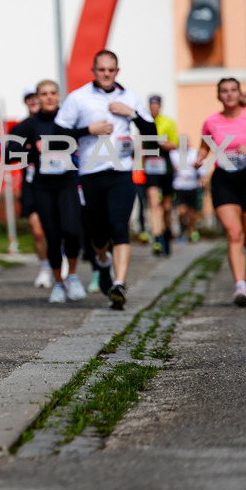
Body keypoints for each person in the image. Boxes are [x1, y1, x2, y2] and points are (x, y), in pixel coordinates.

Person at [54, 50, 156, 310]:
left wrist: (131, 114)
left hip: (121, 172)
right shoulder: (79, 98)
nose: (107, 74)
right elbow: (58, 135)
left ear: (117, 71)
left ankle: (119, 284)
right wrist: (88, 130)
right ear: (94, 71)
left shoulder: (129, 97)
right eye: (102, 70)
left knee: (119, 226)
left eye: (111, 70)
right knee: (97, 233)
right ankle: (102, 260)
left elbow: (151, 132)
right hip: (91, 173)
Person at [196, 78, 246, 307]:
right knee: (234, 233)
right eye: (224, 91)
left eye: (233, 90)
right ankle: (240, 287)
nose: (229, 94)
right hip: (224, 179)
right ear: (218, 96)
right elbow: (204, 147)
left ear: (240, 94)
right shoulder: (211, 122)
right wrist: (199, 159)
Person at [8, 80, 85, 303]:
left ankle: (72, 275)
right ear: (38, 98)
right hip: (42, 187)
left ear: (59, 96)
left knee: (72, 231)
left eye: (53, 93)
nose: (49, 97)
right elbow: (8, 154)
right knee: (52, 236)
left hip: (67, 183)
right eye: (44, 94)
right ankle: (58, 283)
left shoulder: (69, 120)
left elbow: (86, 138)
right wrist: (32, 150)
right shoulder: (29, 126)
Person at [12, 86, 53, 288]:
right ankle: (45, 268)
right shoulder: (22, 128)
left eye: (35, 97)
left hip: (55, 181)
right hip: (31, 183)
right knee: (37, 231)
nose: (33, 101)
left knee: (57, 228)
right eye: (28, 98)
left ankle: (60, 261)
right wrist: (30, 152)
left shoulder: (56, 123)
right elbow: (10, 153)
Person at [144, 95, 179, 256]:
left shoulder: (168, 122)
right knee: (153, 203)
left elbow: (175, 143)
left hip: (165, 166)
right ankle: (157, 237)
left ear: (160, 106)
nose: (154, 108)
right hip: (150, 166)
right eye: (151, 105)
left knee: (166, 206)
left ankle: (166, 233)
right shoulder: (145, 122)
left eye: (156, 105)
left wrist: (160, 142)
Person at [170, 143, 204, 244]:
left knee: (192, 212)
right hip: (179, 186)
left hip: (192, 185)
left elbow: (202, 169)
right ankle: (183, 230)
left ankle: (192, 231)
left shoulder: (195, 153)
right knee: (181, 211)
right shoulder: (173, 154)